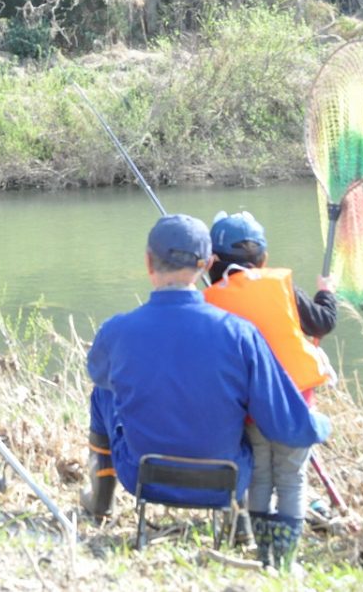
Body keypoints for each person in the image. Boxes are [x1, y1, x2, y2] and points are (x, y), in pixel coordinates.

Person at [81, 214, 331, 535]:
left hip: (142, 477)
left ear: (148, 262)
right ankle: (241, 522)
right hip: (226, 481)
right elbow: (281, 417)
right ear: (207, 264)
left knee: (102, 393)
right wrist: (320, 426)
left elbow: (97, 372)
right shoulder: (240, 333)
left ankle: (100, 501)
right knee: (242, 402)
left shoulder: (116, 330)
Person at [204, 211, 337, 569]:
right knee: (292, 477)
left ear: (213, 261)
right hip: (296, 402)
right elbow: (323, 322)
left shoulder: (211, 300)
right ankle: (286, 559)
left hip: (252, 410)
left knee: (261, 475)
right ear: (263, 258)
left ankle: (264, 555)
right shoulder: (282, 288)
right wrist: (326, 293)